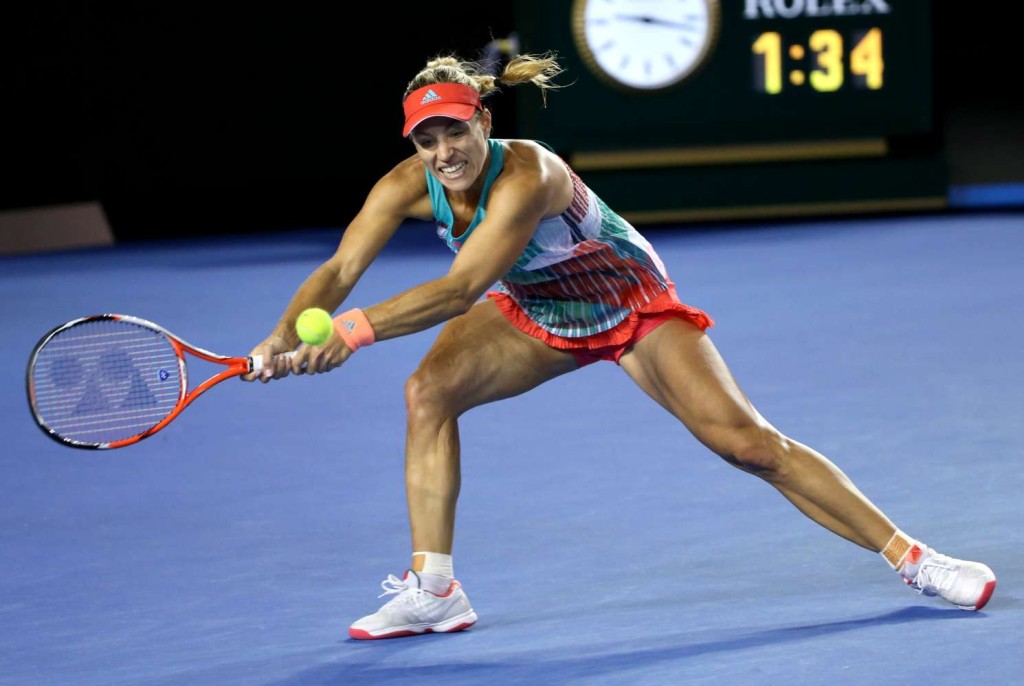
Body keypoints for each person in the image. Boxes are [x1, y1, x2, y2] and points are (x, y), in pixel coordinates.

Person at [242, 51, 997, 640]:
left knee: (750, 445)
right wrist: (279, 337)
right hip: (536, 310)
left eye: (455, 131)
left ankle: (916, 560)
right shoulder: (406, 182)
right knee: (428, 393)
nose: (443, 152)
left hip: (627, 303)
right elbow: (340, 268)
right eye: (426, 138)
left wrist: (351, 330)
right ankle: (435, 590)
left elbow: (462, 289)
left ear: (483, 123)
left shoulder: (528, 171)